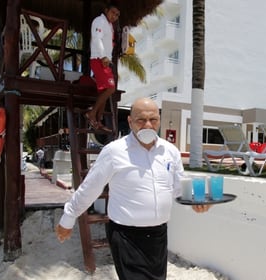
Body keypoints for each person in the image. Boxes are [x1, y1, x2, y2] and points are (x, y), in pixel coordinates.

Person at [55, 97, 211, 280]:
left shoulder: (170, 152)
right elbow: (90, 188)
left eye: (153, 120)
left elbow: (177, 188)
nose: (148, 125)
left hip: (158, 235)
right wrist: (69, 217)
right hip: (126, 236)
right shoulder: (114, 151)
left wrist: (194, 200)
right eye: (141, 120)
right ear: (130, 122)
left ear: (159, 120)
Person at [84, 4, 120, 133]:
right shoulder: (99, 21)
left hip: (105, 61)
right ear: (106, 11)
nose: (114, 16)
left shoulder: (109, 25)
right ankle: (92, 114)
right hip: (99, 59)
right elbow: (97, 39)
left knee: (104, 92)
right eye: (113, 12)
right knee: (111, 88)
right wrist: (104, 56)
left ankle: (98, 121)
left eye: (117, 15)